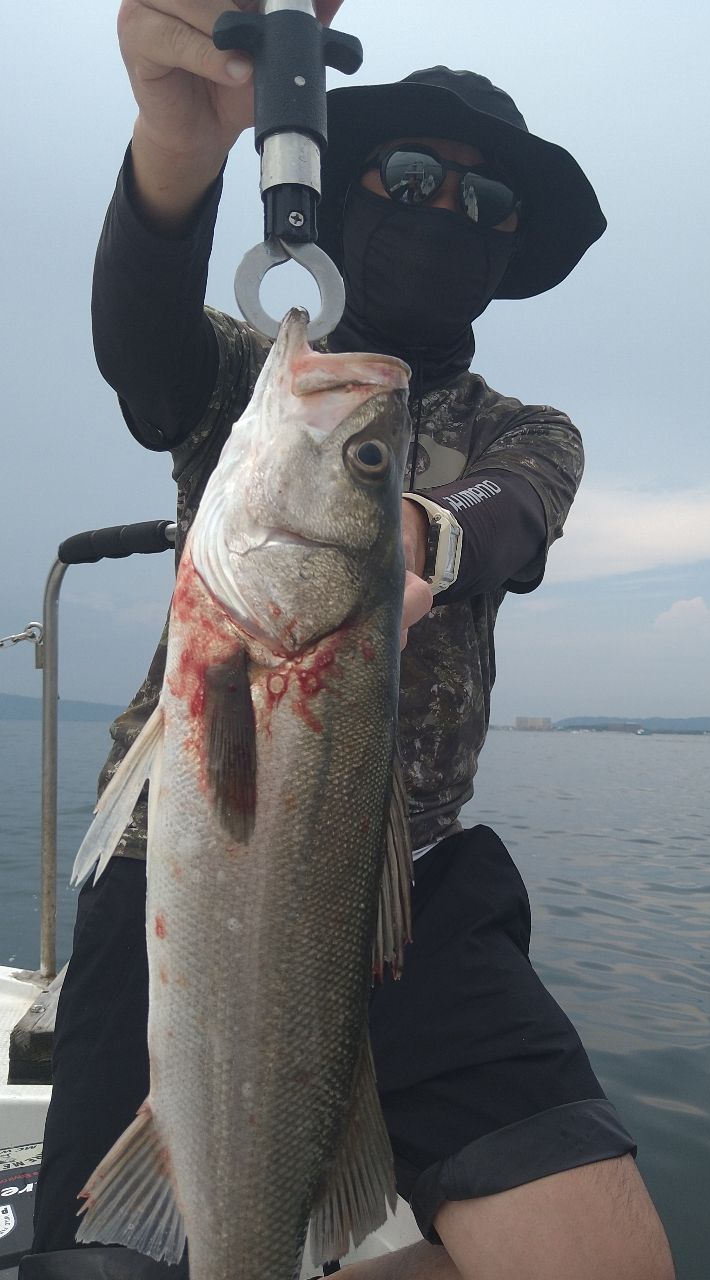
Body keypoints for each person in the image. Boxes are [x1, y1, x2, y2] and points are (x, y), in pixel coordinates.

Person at [27, 2, 676, 1278]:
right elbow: (140, 344)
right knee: (100, 1257)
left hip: (422, 884)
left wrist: (416, 528)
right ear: (349, 193)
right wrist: (177, 146)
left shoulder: (528, 429)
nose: (454, 214)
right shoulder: (255, 382)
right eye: (419, 180)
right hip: (188, 866)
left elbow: (511, 517)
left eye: (490, 205)